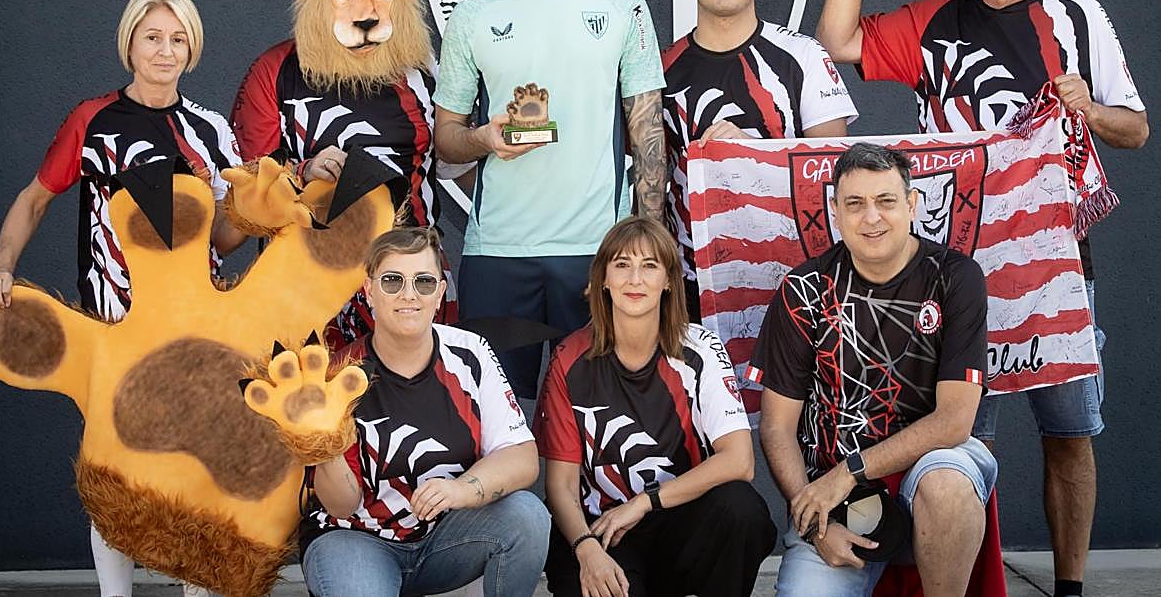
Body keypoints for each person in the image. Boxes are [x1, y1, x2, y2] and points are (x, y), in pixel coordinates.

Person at [816, 0, 1148, 597]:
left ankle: (1069, 586)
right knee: (963, 438)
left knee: (1069, 431)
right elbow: (836, 42)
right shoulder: (937, 17)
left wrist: (1088, 107)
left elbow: (1135, 128)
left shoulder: (1078, 15)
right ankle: (974, 585)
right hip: (953, 262)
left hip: (1054, 256)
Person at [0, 0, 242, 597]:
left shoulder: (209, 130)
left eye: (179, 40)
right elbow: (35, 197)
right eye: (153, 38)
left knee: (195, 471)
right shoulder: (92, 120)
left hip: (195, 332)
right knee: (115, 472)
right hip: (113, 323)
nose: (166, 51)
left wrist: (257, 211)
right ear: (130, 43)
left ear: (193, 49)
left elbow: (223, 239)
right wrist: (1, 263)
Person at [434, 0, 666, 398]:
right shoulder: (473, 15)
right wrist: (485, 138)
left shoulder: (623, 7)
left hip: (597, 251)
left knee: (597, 417)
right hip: (497, 253)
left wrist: (646, 239)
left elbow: (648, 132)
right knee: (496, 420)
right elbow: (446, 139)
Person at [753, 143, 995, 596]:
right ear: (834, 211)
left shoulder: (955, 278)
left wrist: (849, 470)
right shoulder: (804, 290)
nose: (872, 218)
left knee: (945, 484)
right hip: (836, 501)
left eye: (886, 201)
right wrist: (813, 524)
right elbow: (777, 428)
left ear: (912, 203)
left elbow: (955, 420)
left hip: (931, 467)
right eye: (855, 204)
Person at [232, 0, 455, 351]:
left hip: (409, 288)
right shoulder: (276, 70)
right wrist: (301, 174)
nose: (365, 11)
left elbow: (454, 165)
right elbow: (241, 196)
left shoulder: (424, 74)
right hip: (300, 293)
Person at [299, 226, 549, 597]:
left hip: (446, 538)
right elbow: (342, 503)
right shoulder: (338, 372)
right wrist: (324, 442)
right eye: (392, 281)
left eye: (424, 282)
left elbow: (523, 458)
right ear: (369, 291)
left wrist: (463, 489)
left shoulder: (471, 352)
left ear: (440, 293)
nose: (409, 295)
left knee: (527, 517)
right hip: (355, 538)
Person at [535, 216, 774, 597]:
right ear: (602, 279)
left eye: (649, 266)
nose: (634, 279)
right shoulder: (569, 358)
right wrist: (586, 549)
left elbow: (740, 462)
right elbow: (561, 485)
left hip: (679, 523)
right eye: (622, 265)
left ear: (667, 281)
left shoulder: (700, 348)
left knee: (740, 509)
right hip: (603, 531)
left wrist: (645, 503)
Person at [662, 0, 857, 318]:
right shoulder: (661, 67)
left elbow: (836, 165)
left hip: (792, 268)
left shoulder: (803, 54)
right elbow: (652, 175)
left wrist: (755, 153)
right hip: (691, 273)